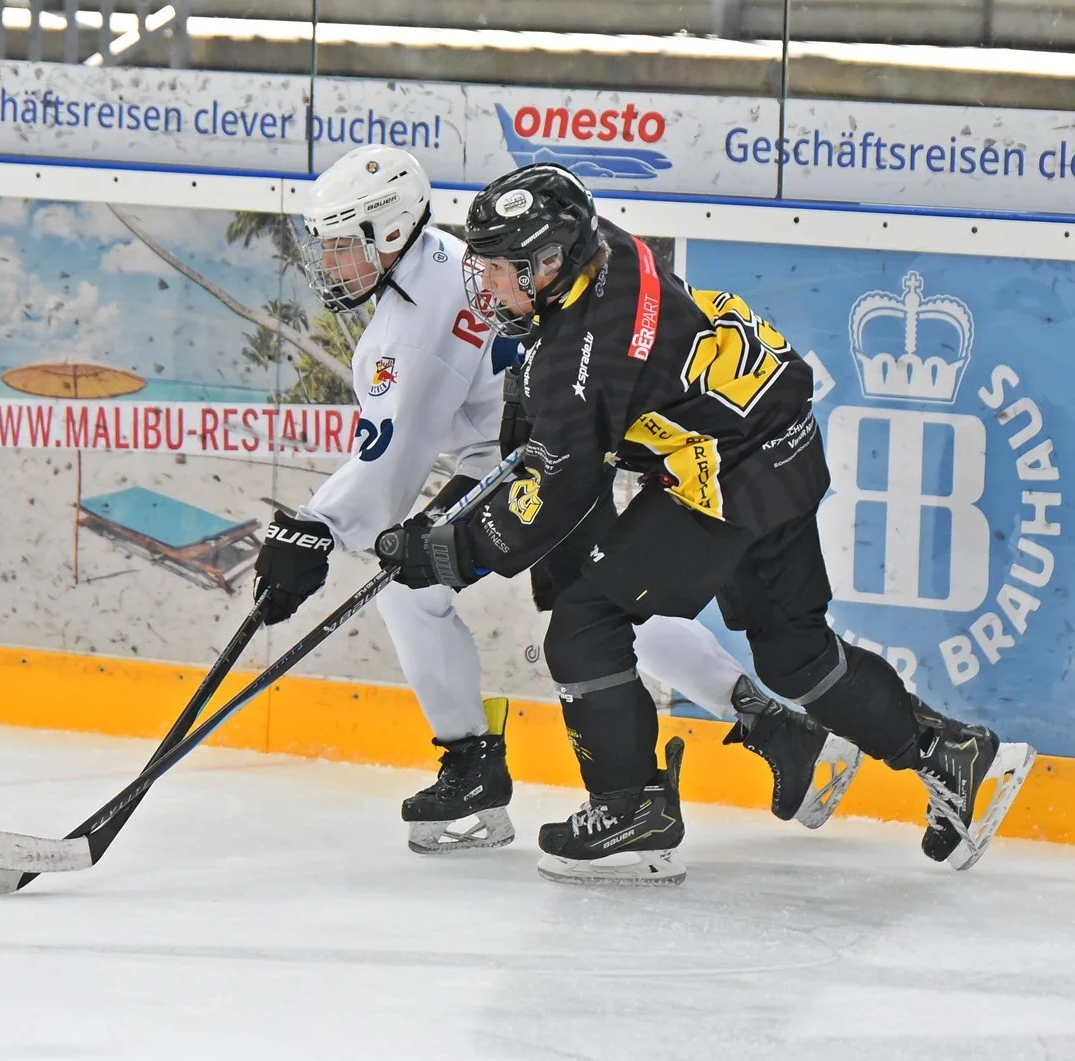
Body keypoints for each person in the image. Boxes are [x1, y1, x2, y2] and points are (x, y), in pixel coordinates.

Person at [375, 160, 1037, 884]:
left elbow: (556, 492)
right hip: (775, 442)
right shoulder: (611, 250)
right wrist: (510, 467)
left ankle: (631, 814)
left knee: (584, 625)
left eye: (504, 269)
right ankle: (951, 753)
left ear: (552, 259)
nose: (490, 285)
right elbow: (553, 415)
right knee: (796, 654)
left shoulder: (580, 360)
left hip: (726, 478)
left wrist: (446, 553)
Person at [250, 145, 860, 858]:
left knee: (492, 600)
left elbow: (390, 464)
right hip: (546, 449)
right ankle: (776, 730)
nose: (330, 263)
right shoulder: (446, 256)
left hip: (539, 461)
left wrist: (315, 531)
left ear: (389, 235)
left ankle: (477, 765)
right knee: (592, 601)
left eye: (342, 246)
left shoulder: (409, 337)